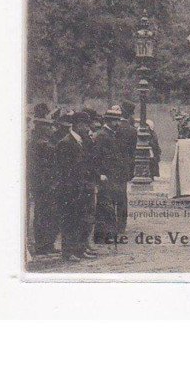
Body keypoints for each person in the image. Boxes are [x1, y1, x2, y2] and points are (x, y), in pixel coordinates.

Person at [54, 111, 98, 262]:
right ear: (78, 124)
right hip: (70, 190)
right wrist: (74, 188)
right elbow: (65, 170)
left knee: (81, 220)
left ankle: (79, 250)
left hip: (81, 188)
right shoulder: (66, 142)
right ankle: (68, 252)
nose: (87, 128)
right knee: (70, 220)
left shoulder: (81, 140)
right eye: (85, 125)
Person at [92, 106, 127, 244]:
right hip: (106, 176)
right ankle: (102, 235)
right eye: (115, 121)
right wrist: (100, 173)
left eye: (118, 120)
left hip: (112, 175)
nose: (118, 123)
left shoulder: (110, 134)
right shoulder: (102, 135)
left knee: (108, 204)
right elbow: (97, 157)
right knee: (104, 205)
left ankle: (107, 234)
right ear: (109, 121)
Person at [28, 102, 59, 255]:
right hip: (44, 185)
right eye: (48, 126)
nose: (51, 129)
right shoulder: (41, 144)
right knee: (44, 214)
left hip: (45, 184)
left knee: (46, 213)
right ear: (42, 128)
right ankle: (43, 245)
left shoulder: (39, 142)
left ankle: (46, 244)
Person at [116, 100, 139, 227]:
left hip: (112, 166)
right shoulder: (132, 130)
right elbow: (132, 152)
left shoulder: (115, 128)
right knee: (122, 195)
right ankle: (121, 223)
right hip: (124, 167)